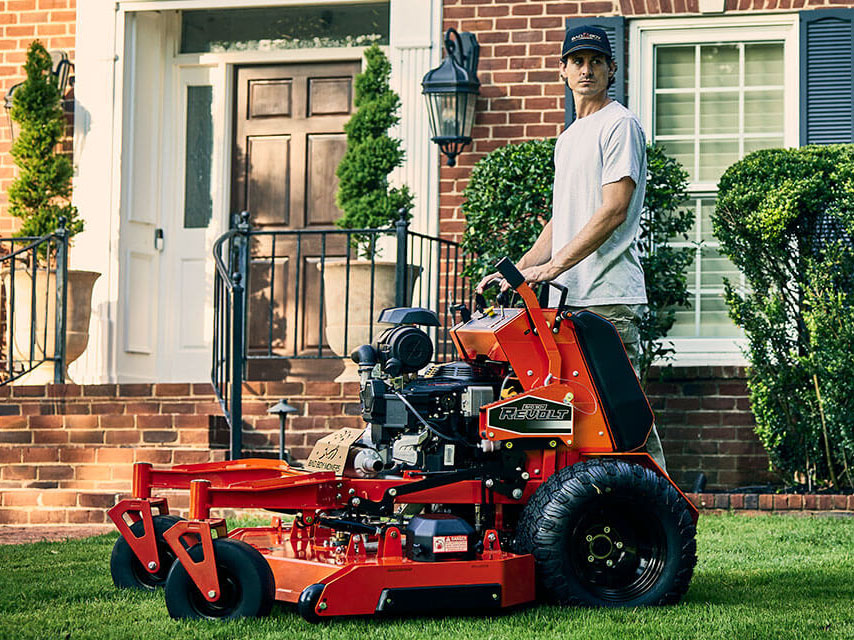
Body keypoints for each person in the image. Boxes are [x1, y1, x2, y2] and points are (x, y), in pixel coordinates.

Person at [476, 25, 667, 471]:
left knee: (622, 425)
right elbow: (562, 219)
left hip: (607, 300)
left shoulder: (619, 125)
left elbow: (614, 209)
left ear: (611, 69)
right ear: (562, 70)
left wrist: (555, 266)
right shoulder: (569, 138)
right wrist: (520, 268)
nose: (587, 69)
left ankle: (662, 507)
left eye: (596, 61)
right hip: (570, 303)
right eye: (577, 61)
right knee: (580, 425)